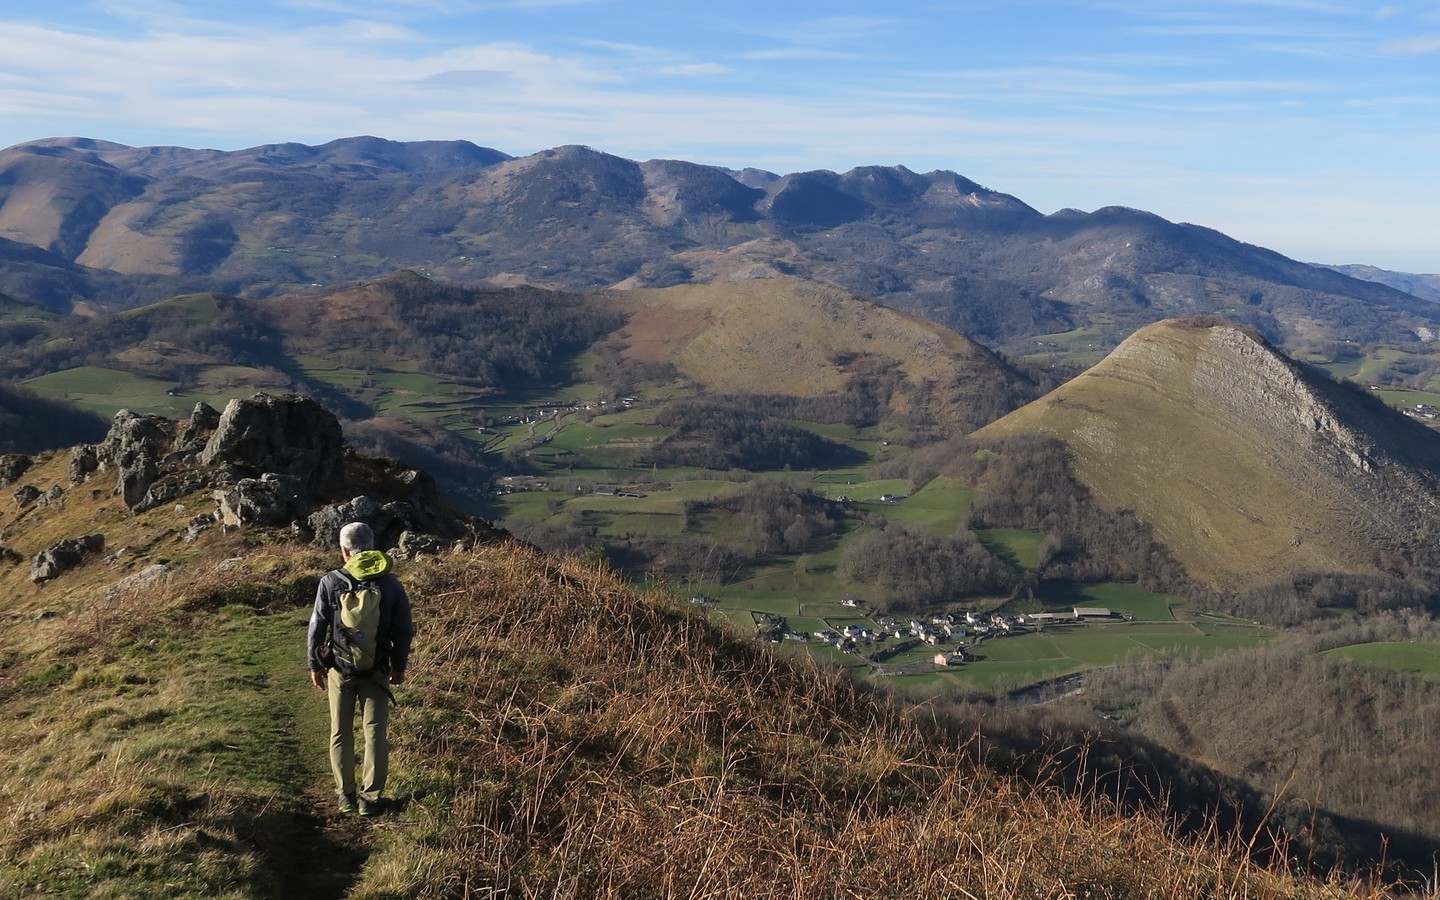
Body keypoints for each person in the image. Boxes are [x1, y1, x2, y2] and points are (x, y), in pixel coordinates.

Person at [307, 521, 414, 816]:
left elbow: (317, 627)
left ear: (344, 550)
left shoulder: (330, 582)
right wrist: (399, 666)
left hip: (339, 669)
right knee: (375, 732)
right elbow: (404, 630)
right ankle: (371, 798)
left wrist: (315, 665)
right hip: (377, 670)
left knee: (340, 731)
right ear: (372, 545)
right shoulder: (390, 584)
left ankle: (346, 796)